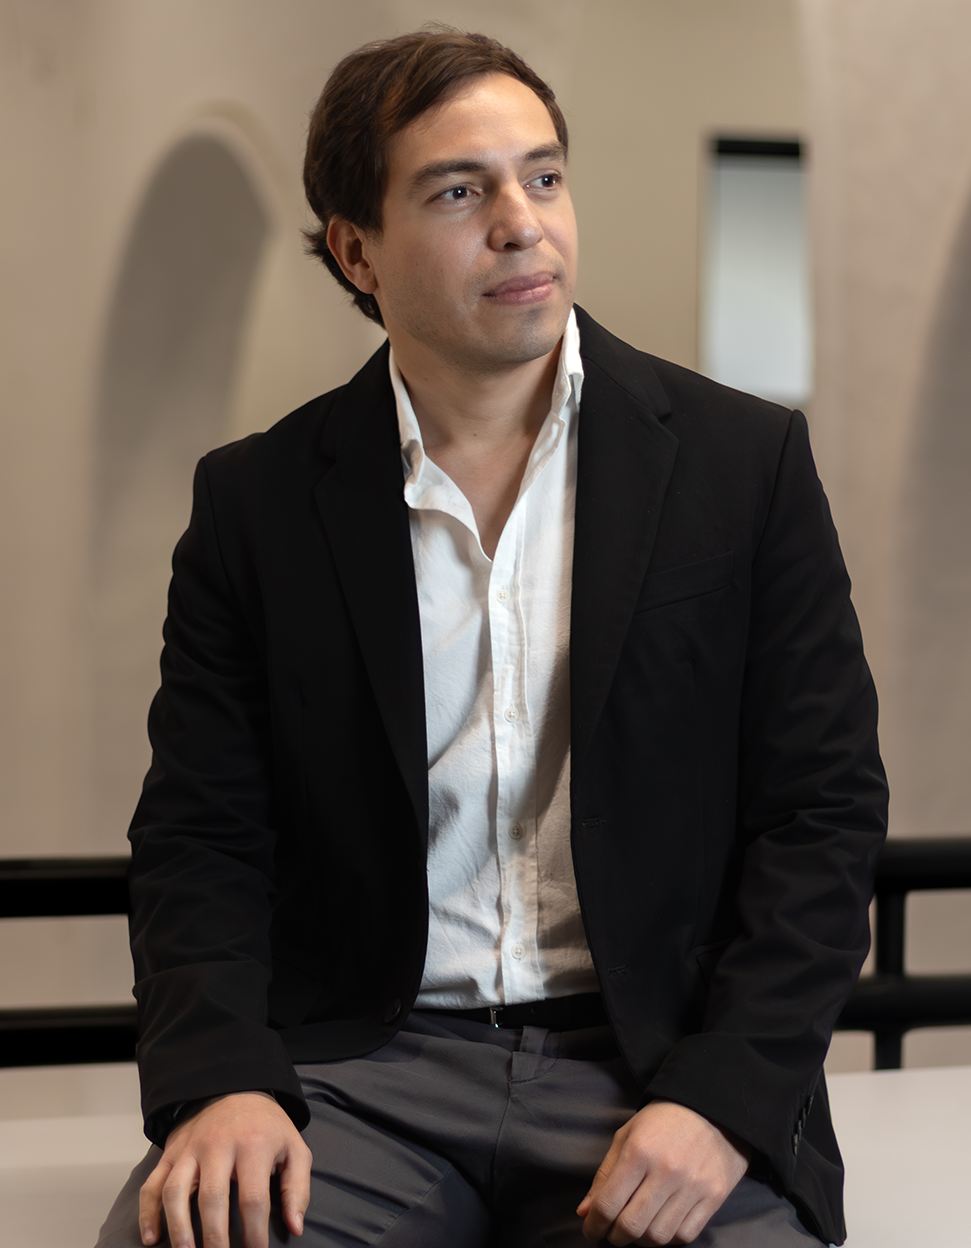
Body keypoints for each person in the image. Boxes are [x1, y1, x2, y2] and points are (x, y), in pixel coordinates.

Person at [96, 29, 887, 1248]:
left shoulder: (743, 465)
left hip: (651, 1065)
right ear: (355, 250)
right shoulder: (255, 505)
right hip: (358, 1075)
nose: (522, 224)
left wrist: (722, 1097)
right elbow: (201, 834)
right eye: (459, 192)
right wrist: (221, 1081)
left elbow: (819, 814)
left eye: (543, 177)